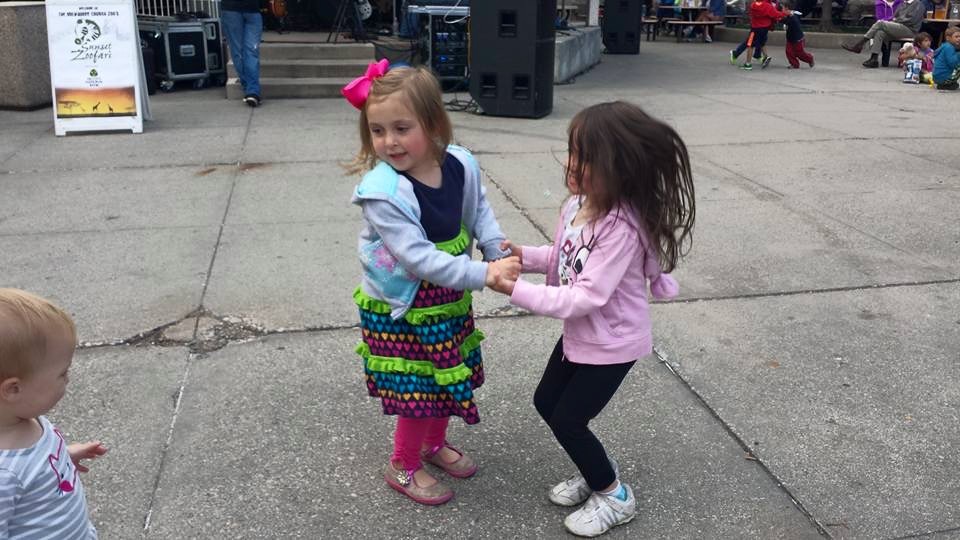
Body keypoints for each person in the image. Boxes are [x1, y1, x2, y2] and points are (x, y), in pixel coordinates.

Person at [489, 102, 696, 537]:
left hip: (613, 344)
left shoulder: (620, 226)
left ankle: (615, 495)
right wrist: (523, 256)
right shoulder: (578, 206)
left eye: (586, 157)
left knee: (569, 419)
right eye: (572, 150)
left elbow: (586, 294)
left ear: (621, 169)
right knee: (547, 402)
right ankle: (594, 467)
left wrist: (515, 290)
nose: (572, 163)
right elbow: (565, 255)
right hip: (583, 335)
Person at [341, 60, 521, 505]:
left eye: (402, 128)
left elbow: (478, 211)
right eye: (378, 130)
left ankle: (433, 444)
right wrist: (485, 274)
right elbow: (419, 259)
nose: (390, 142)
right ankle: (402, 465)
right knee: (419, 389)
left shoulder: (459, 163)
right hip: (403, 305)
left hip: (446, 297)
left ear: (434, 122)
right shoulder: (383, 192)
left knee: (448, 375)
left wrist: (495, 246)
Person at [0, 288, 108, 538]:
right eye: (62, 373)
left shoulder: (26, 417)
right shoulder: (4, 475)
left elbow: (33, 466)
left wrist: (64, 457)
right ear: (14, 389)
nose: (68, 380)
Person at [841, 0, 925, 68]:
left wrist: (896, 20)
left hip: (910, 30)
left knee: (880, 23)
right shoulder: (903, 4)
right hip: (899, 27)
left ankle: (859, 44)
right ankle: (874, 59)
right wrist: (895, 20)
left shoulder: (918, 4)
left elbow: (911, 20)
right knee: (880, 32)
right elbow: (894, 16)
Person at [729, 0, 794, 70]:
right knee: (760, 43)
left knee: (751, 44)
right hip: (764, 28)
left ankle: (751, 62)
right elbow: (775, 14)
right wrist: (786, 13)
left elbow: (753, 12)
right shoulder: (768, 6)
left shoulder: (753, 5)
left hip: (754, 28)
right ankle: (760, 58)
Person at [221, 0, 263, 107]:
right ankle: (251, 90)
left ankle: (251, 90)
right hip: (241, 10)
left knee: (242, 52)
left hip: (240, 10)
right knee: (246, 51)